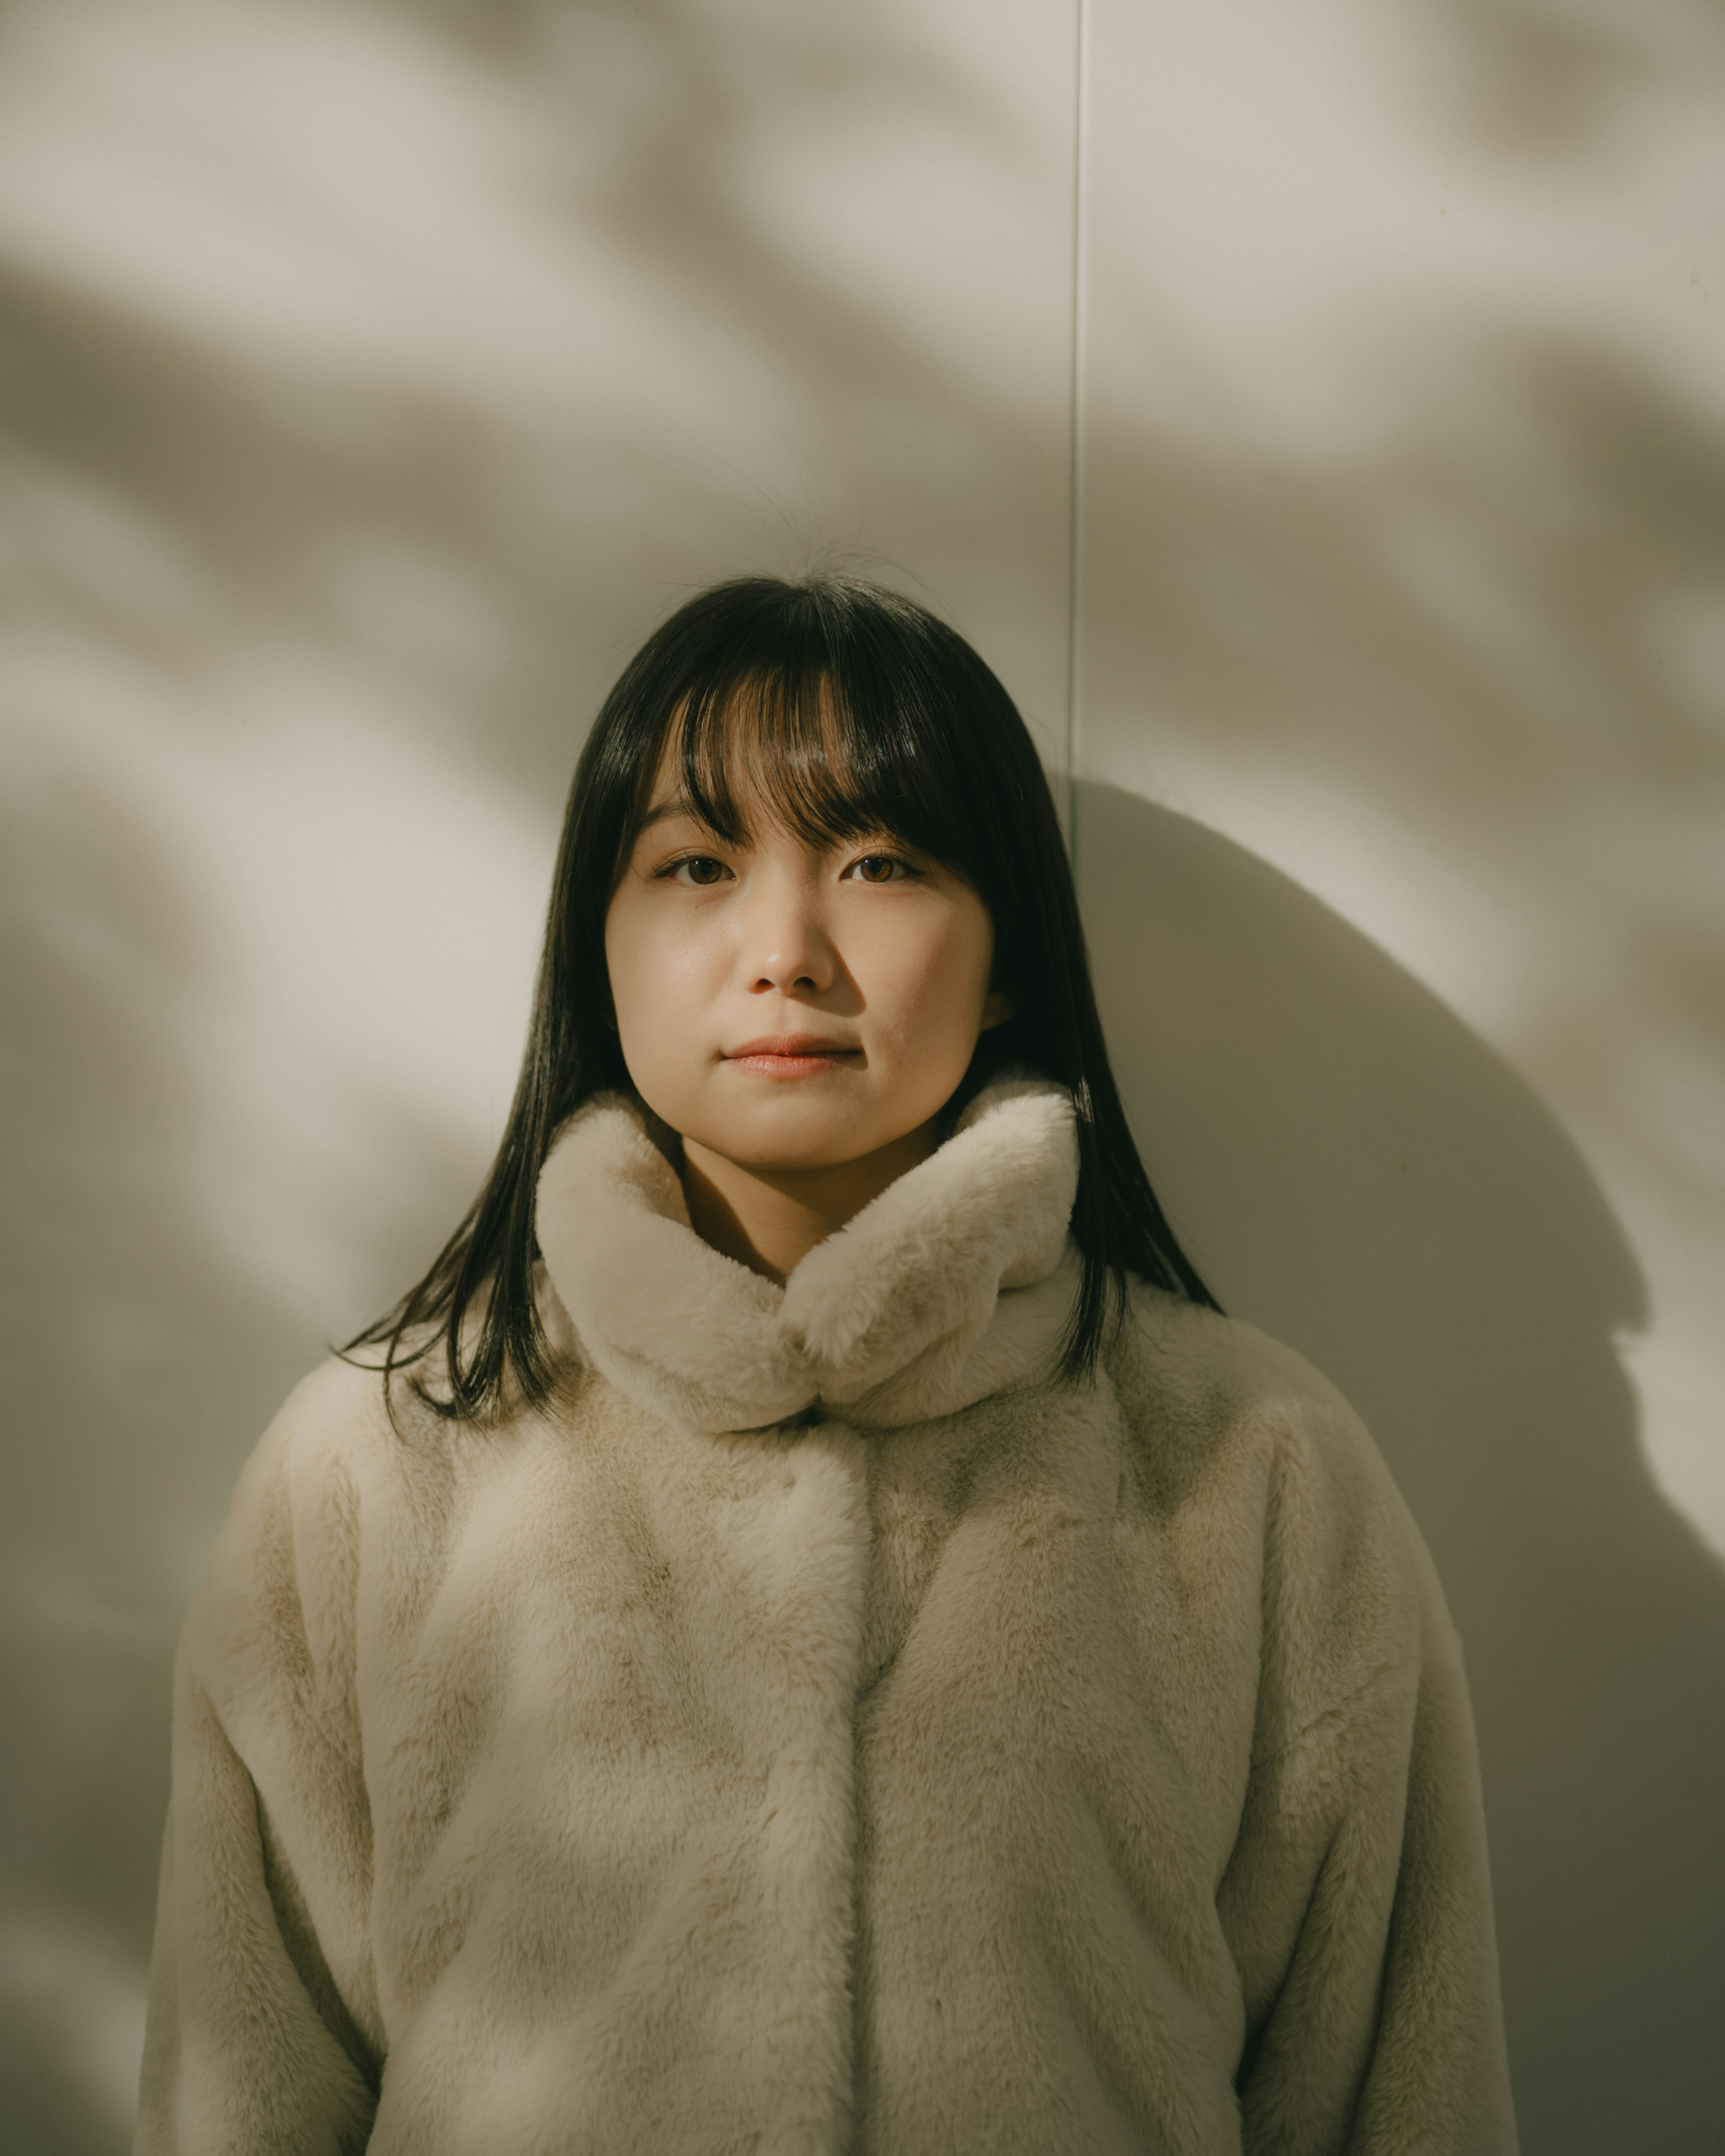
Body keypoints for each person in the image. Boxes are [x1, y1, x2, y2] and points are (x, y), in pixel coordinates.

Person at [135, 576, 1517, 2155]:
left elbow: (1400, 2098)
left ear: (1007, 958)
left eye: (879, 861)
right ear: (599, 946)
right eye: (697, 864)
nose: (783, 950)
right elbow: (239, 2098)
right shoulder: (376, 1465)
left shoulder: (1257, 1467)